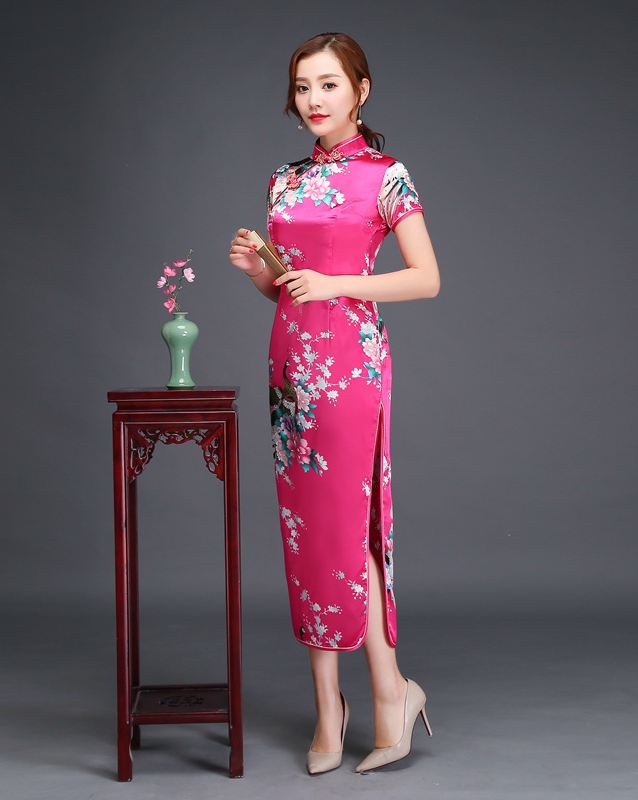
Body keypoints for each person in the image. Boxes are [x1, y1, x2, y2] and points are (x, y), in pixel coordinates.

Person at [229, 32, 440, 774]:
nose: (314, 100)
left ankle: (389, 691)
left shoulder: (386, 176)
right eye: (302, 87)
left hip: (352, 365)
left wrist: (337, 283)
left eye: (328, 84)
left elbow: (425, 278)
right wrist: (260, 270)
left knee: (352, 525)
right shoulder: (283, 181)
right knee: (308, 530)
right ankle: (330, 706)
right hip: (291, 369)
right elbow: (291, 291)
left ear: (360, 89)